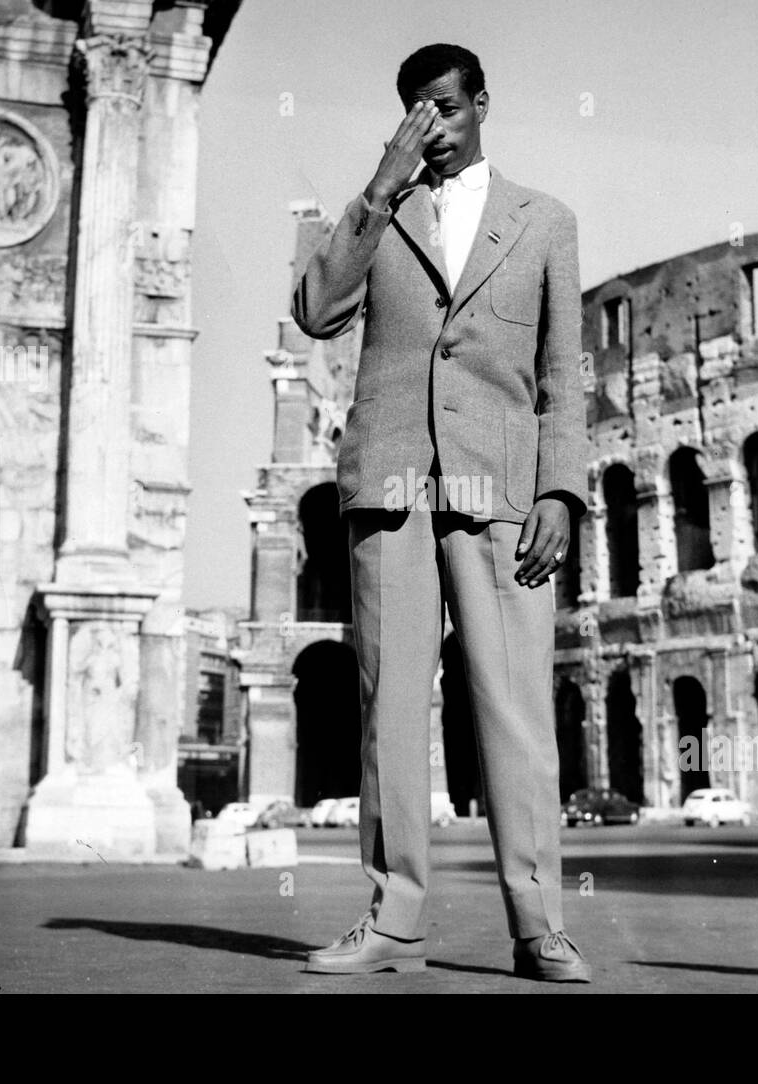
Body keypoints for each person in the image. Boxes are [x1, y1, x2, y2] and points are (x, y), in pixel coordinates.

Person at [291, 43, 591, 982]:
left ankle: (540, 924)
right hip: (393, 490)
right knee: (389, 710)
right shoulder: (383, 212)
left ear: (482, 105)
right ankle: (394, 923)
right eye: (419, 112)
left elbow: (561, 379)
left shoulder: (544, 221)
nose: (437, 126)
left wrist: (560, 491)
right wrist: (381, 183)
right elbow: (314, 308)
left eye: (449, 108)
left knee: (515, 710)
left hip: (499, 496)